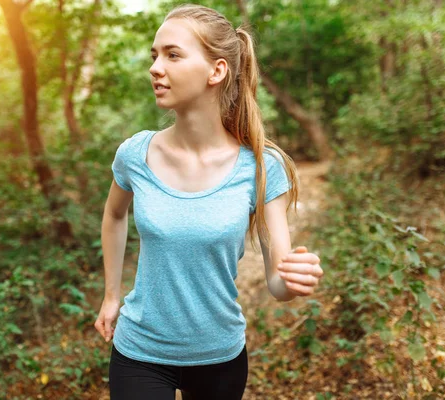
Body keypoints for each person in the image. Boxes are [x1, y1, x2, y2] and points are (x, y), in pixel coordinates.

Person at [94, 4, 324, 399]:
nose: (155, 67)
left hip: (219, 357)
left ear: (216, 71)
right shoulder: (135, 154)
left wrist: (291, 281)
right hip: (139, 352)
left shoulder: (262, 168)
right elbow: (115, 215)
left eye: (173, 54)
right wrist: (111, 295)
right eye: (154, 56)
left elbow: (275, 282)